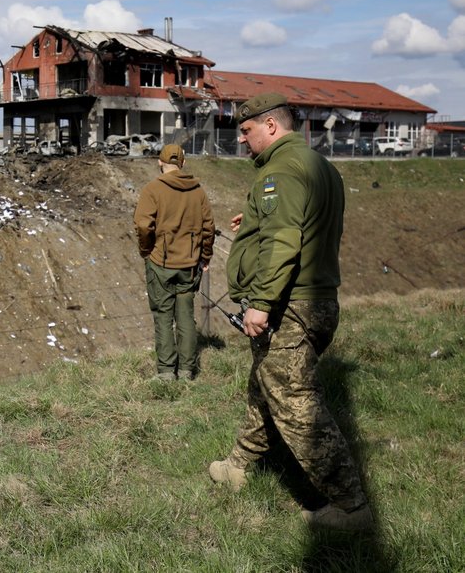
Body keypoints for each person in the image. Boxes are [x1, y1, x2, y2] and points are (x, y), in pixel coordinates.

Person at [208, 92, 372, 532]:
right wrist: (255, 222)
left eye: (246, 130)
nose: (242, 140)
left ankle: (350, 506)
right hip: (315, 299)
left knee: (296, 404)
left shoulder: (279, 171)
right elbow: (304, 223)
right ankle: (239, 465)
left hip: (289, 305)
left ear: (272, 127)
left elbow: (285, 241)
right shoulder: (320, 167)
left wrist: (261, 304)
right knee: (266, 384)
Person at [134, 144, 214, 381]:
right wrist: (205, 256)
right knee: (186, 316)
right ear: (183, 162)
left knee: (163, 316)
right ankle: (188, 370)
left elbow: (142, 225)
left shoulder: (152, 190)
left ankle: (167, 372)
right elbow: (208, 228)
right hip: (189, 265)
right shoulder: (197, 191)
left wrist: (146, 250)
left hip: (161, 262)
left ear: (159, 162)